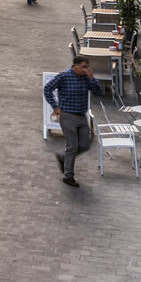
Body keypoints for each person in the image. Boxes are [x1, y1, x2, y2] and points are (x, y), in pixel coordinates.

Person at [44, 56, 105, 186]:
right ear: (75, 66)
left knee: (84, 144)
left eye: (87, 67)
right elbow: (48, 88)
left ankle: (63, 157)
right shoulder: (64, 76)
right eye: (83, 67)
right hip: (67, 116)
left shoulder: (86, 78)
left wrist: (91, 78)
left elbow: (99, 92)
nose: (86, 69)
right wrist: (55, 107)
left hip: (82, 116)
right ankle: (68, 176)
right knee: (72, 146)